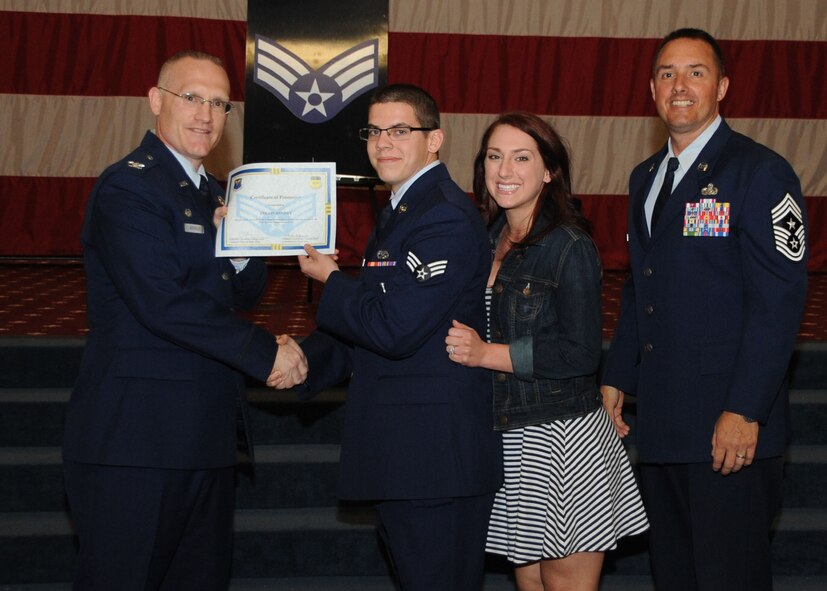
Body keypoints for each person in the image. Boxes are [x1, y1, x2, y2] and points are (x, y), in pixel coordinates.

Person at [62, 50, 307, 590]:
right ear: (156, 101)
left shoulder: (217, 192)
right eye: (191, 97)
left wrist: (240, 246)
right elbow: (161, 302)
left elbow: (240, 291)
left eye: (219, 103)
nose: (206, 114)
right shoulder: (129, 187)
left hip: (204, 436)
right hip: (137, 442)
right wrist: (267, 352)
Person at [600, 28, 809, 591]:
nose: (680, 85)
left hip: (729, 428)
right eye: (667, 74)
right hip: (664, 423)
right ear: (651, 89)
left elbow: (778, 301)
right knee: (676, 577)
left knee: (728, 579)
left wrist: (746, 410)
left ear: (722, 86)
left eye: (695, 72)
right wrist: (618, 376)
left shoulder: (759, 172)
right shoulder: (645, 178)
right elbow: (640, 287)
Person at [294, 83, 502, 591]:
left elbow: (394, 328)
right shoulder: (402, 211)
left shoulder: (444, 216)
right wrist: (294, 360)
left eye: (400, 130)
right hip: (410, 455)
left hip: (434, 458)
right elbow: (369, 320)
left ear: (435, 140)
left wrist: (330, 280)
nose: (383, 142)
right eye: (374, 131)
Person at [444, 112, 648, 591]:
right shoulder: (489, 238)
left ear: (549, 171)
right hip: (509, 438)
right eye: (495, 157)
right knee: (531, 585)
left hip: (561, 440)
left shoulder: (569, 244)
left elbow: (579, 353)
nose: (505, 170)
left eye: (522, 157)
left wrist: (484, 354)